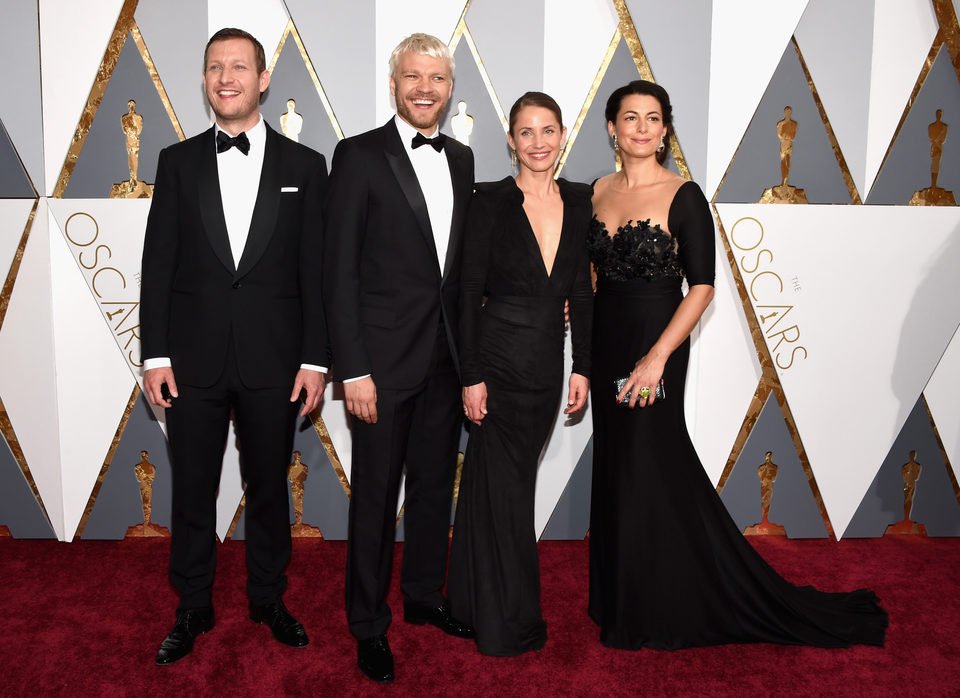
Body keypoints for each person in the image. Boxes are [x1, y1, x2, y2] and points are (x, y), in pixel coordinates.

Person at [587, 79, 888, 650]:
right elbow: (597, 272)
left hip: (657, 347)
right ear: (612, 128)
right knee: (619, 467)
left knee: (651, 463)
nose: (642, 128)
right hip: (608, 345)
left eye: (654, 118)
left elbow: (701, 287)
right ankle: (620, 594)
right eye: (631, 118)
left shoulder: (685, 195)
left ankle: (659, 601)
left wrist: (656, 357)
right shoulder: (598, 191)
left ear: (666, 129)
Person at [140, 27, 329, 665]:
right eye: (216, 67)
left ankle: (268, 598)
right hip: (189, 363)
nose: (227, 78)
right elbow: (157, 264)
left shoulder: (307, 167)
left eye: (240, 67)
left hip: (276, 362)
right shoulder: (175, 161)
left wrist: (315, 358)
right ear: (204, 80)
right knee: (192, 488)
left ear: (263, 79)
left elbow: (315, 272)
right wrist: (155, 354)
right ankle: (192, 604)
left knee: (270, 490)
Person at [322, 33, 475, 684]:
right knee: (376, 499)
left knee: (436, 488)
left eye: (436, 78)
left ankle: (421, 598)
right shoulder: (357, 156)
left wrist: (472, 366)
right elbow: (339, 273)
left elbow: (460, 274)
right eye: (413, 76)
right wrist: (352, 368)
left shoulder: (464, 160)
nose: (424, 88)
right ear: (394, 83)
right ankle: (367, 623)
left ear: (449, 88)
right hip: (379, 368)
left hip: (446, 361)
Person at [446, 92, 592, 656]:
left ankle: (471, 601)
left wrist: (583, 365)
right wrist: (471, 374)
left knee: (503, 486)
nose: (538, 142)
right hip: (497, 357)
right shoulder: (488, 200)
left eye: (547, 130)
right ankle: (508, 621)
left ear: (562, 136)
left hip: (546, 366)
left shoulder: (579, 202)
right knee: (502, 490)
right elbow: (467, 290)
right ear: (510, 140)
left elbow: (580, 288)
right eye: (526, 132)